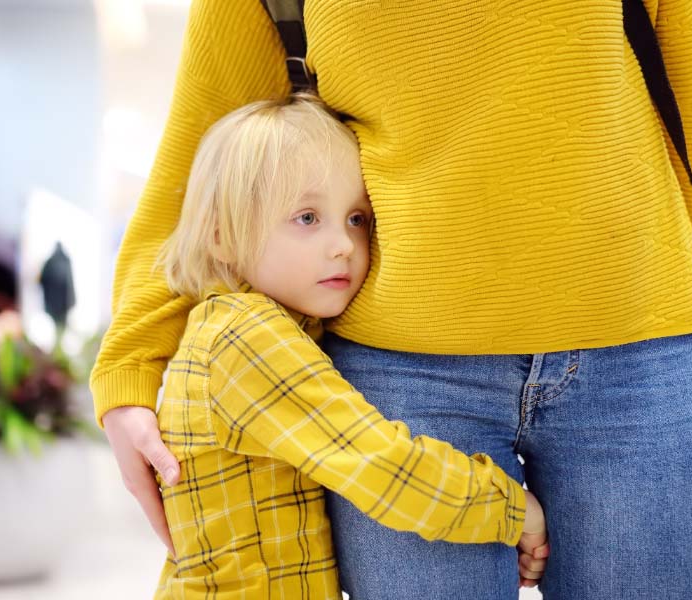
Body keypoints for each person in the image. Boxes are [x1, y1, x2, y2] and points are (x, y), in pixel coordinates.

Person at [93, 1, 692, 598]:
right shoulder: (243, 340)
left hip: (640, 355)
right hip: (402, 373)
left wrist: (654, 279)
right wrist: (130, 361)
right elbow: (206, 151)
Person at [146, 94, 548, 598]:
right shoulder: (248, 339)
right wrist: (514, 509)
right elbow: (382, 467)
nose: (343, 244)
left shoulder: (248, 328)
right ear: (224, 237)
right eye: (307, 218)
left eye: (356, 219)